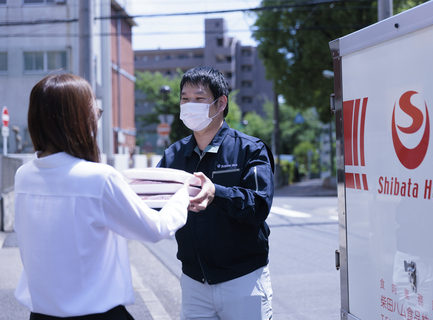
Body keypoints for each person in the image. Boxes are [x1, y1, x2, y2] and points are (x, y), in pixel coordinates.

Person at [14, 74, 195, 319]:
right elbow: (156, 228)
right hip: (98, 314)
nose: (96, 120)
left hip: (41, 313)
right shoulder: (100, 179)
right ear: (78, 120)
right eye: (95, 112)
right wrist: (184, 193)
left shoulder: (24, 175)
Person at [157, 66, 275, 320]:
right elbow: (156, 202)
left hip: (243, 279)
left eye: (199, 99)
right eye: (185, 99)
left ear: (221, 103)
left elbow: (259, 205)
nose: (190, 105)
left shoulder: (250, 149)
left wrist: (217, 193)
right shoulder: (173, 155)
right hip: (193, 283)